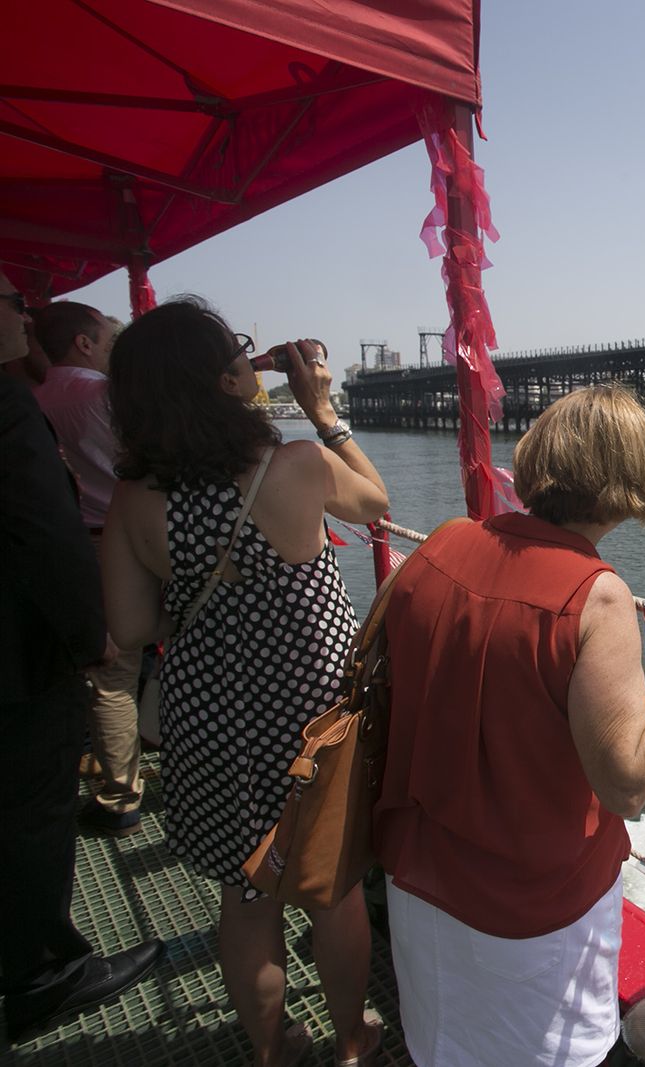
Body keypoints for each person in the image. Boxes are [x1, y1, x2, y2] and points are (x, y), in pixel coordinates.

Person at [373, 384, 645, 1067]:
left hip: (418, 875)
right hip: (529, 913)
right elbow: (626, 783)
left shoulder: (444, 542)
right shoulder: (595, 595)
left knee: (438, 1048)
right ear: (633, 484)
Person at [101, 298, 389, 1067]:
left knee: (246, 894)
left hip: (209, 720)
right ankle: (352, 1038)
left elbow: (129, 629)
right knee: (330, 888)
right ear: (228, 378)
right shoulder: (290, 464)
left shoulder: (134, 499)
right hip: (309, 720)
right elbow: (375, 500)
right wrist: (322, 410)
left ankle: (273, 1045)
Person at [0, 275, 164, 1041]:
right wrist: (83, 631)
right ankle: (45, 968)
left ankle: (119, 784)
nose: (21, 320)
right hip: (68, 596)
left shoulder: (37, 396)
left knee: (113, 686)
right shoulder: (38, 402)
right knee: (37, 797)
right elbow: (42, 526)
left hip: (87, 554)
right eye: (12, 306)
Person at [32, 302, 145, 838]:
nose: (107, 347)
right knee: (127, 669)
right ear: (82, 342)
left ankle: (117, 789)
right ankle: (123, 793)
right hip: (135, 534)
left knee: (109, 668)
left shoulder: (33, 395)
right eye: (103, 338)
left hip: (84, 540)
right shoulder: (104, 394)